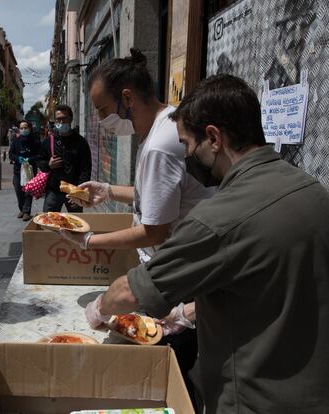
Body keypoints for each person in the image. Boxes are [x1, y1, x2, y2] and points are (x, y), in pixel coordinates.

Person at [83, 74, 329, 414]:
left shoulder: (219, 218)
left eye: (188, 145)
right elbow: (270, 284)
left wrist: (98, 309)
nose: (187, 157)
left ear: (214, 138)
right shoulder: (313, 191)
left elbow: (131, 293)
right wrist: (187, 313)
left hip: (263, 400)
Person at [60, 48, 214, 402]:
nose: (101, 120)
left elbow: (154, 230)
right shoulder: (167, 123)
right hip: (184, 267)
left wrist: (88, 242)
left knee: (167, 374)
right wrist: (109, 190)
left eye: (102, 110)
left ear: (127, 98)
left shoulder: (160, 144)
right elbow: (161, 198)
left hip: (178, 275)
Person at [37, 104, 92, 213]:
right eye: (58, 119)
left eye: (64, 118)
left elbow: (86, 168)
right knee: (49, 221)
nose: (61, 122)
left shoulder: (80, 142)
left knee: (76, 222)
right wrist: (49, 165)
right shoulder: (49, 141)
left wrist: (79, 192)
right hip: (54, 190)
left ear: (70, 119)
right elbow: (40, 161)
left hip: (74, 189)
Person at [9, 120, 41, 221]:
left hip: (30, 170)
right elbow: (11, 154)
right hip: (18, 170)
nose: (24, 130)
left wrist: (30, 159)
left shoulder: (35, 140)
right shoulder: (15, 140)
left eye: (25, 128)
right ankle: (22, 209)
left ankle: (27, 211)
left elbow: (39, 154)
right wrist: (18, 159)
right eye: (21, 128)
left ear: (29, 128)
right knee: (18, 190)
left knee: (28, 191)